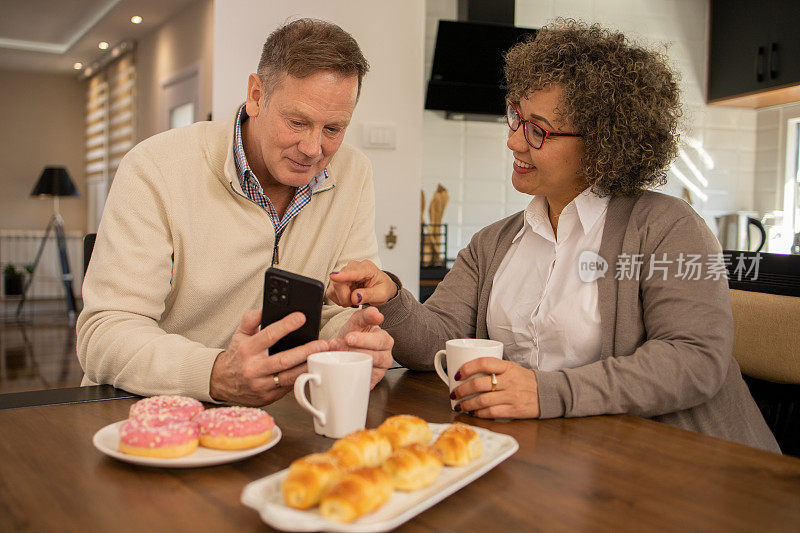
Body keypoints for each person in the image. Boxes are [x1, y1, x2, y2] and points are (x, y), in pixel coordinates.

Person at [327, 20, 779, 452]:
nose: (514, 142)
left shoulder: (669, 228)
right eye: (515, 117)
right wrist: (389, 296)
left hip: (690, 474)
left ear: (604, 142)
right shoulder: (494, 243)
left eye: (538, 130)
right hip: (563, 460)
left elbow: (694, 360)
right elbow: (438, 341)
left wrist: (548, 393)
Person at [77, 19, 393, 406]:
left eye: (333, 129)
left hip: (276, 416)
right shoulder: (155, 168)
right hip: (145, 412)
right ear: (256, 95)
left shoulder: (353, 173)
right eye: (297, 122)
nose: (313, 149)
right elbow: (104, 333)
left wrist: (354, 336)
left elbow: (332, 307)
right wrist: (213, 374)